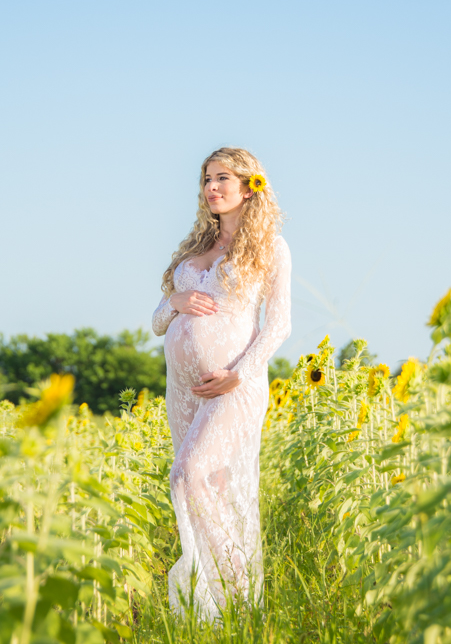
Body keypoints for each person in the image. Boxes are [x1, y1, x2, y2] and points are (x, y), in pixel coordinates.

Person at [151, 147, 292, 620]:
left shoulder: (270, 247)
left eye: (223, 178)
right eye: (207, 179)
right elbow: (156, 323)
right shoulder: (193, 252)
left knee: (188, 475)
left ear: (249, 185)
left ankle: (238, 582)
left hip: (235, 382)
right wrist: (177, 298)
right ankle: (225, 606)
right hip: (184, 389)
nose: (211, 187)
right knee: (201, 484)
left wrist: (239, 372)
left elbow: (280, 325)